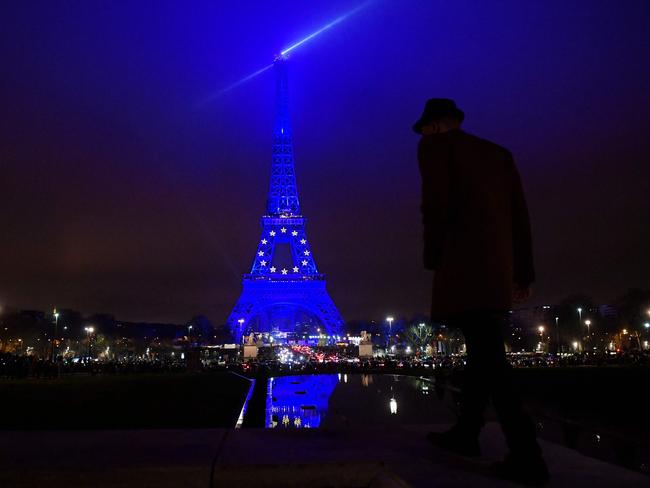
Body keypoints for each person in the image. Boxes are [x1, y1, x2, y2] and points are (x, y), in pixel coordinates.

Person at [413, 98, 549, 485]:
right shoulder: (499, 155)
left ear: (435, 127)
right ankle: (467, 434)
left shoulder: (435, 148)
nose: (422, 135)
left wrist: (433, 254)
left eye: (424, 129)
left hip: (462, 266)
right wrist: (523, 272)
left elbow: (434, 204)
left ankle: (527, 454)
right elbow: (520, 217)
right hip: (496, 270)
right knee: (481, 351)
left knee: (490, 360)